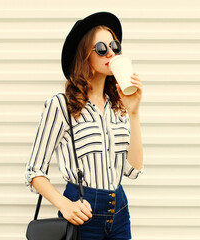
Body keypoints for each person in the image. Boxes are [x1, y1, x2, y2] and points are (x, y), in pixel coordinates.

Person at [24, 11, 144, 240]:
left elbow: (133, 169)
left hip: (119, 213)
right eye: (101, 48)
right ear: (85, 55)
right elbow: (34, 171)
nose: (111, 53)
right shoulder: (61, 105)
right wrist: (65, 205)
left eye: (115, 47)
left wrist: (134, 112)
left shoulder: (117, 106)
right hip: (83, 215)